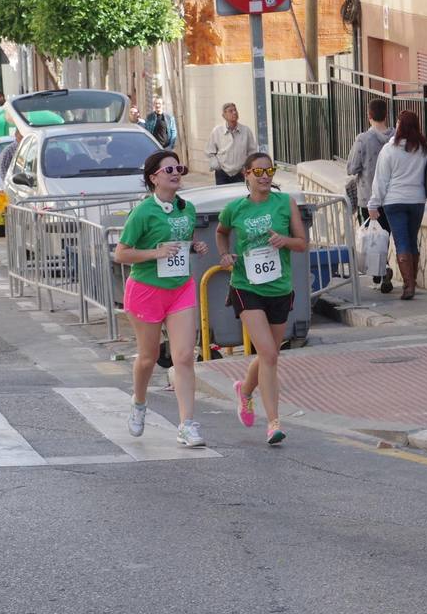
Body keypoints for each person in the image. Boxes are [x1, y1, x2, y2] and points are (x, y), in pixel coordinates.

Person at [113, 150, 208, 447]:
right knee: (148, 357)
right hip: (146, 290)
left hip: (180, 287)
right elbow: (121, 253)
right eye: (169, 170)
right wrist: (155, 253)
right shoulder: (142, 212)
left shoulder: (187, 208)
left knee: (183, 356)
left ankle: (186, 424)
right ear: (154, 178)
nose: (176, 173)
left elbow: (180, 241)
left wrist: (194, 247)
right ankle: (139, 402)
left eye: (178, 168)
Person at [216, 153, 307, 446]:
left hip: (279, 287)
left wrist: (285, 241)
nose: (265, 176)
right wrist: (225, 255)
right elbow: (221, 232)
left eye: (269, 170)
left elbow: (303, 243)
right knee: (267, 353)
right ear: (247, 174)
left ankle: (244, 390)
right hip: (246, 286)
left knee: (270, 354)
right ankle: (273, 423)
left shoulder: (285, 203)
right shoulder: (235, 208)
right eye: (259, 171)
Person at [367, 109, 427, 300]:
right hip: (417, 200)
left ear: (399, 127)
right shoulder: (424, 148)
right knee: (412, 240)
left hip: (394, 201)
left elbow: (381, 180)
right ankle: (412, 283)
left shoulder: (389, 150)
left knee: (401, 241)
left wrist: (373, 204)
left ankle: (408, 286)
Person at [346, 98, 393, 290]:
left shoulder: (363, 139)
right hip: (391, 197)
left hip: (367, 196)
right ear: (386, 115)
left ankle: (381, 269)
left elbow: (351, 167)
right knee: (385, 235)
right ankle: (381, 269)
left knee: (372, 237)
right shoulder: (396, 137)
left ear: (369, 115)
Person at [206, 103, 259, 185]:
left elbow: (252, 152)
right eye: (231, 111)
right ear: (224, 115)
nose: (234, 113)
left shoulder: (246, 131)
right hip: (222, 173)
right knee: (223, 195)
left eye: (235, 110)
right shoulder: (217, 131)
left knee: (237, 195)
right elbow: (209, 151)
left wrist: (247, 167)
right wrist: (217, 166)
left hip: (240, 172)